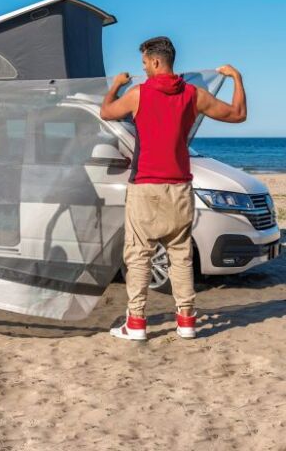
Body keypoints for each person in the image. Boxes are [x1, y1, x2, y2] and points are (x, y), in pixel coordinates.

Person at [100, 37, 246, 340]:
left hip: (145, 187)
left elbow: (106, 112)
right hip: (179, 187)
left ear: (155, 61)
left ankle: (136, 324)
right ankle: (187, 321)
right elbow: (237, 114)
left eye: (144, 63)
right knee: (180, 255)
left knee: (139, 255)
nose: (144, 69)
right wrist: (236, 78)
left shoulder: (137, 94)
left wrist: (115, 86)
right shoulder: (194, 94)